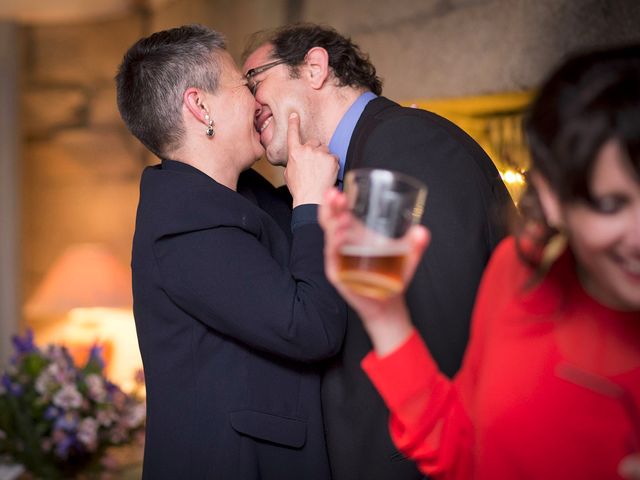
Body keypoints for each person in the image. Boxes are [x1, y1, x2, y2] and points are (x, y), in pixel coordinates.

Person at [319, 44, 640, 479]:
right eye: (609, 204)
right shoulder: (518, 271)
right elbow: (462, 450)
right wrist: (383, 313)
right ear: (551, 198)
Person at [242, 23, 515, 479]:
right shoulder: (347, 169)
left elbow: (441, 330)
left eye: (254, 81)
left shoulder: (401, 145)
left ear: (314, 68)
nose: (248, 104)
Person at [115, 25, 346, 480]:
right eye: (246, 86)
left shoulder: (241, 193)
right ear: (200, 106)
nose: (259, 99)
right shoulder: (183, 225)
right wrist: (312, 203)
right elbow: (310, 327)